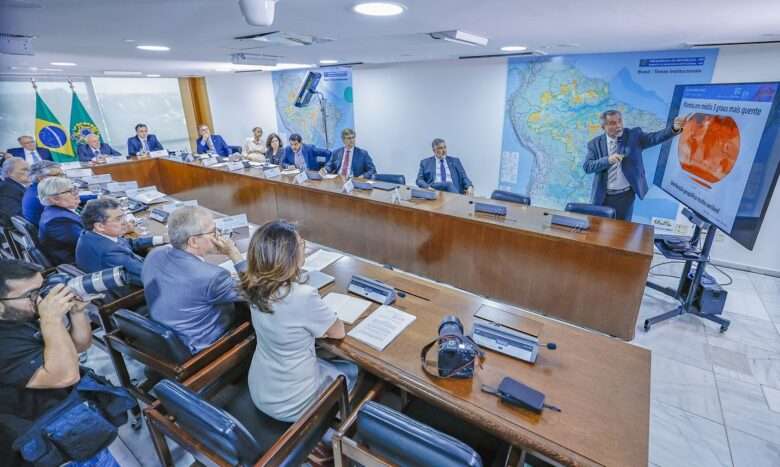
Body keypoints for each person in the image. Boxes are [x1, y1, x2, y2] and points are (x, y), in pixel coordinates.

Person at [241, 220, 357, 422]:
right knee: (353, 371)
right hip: (292, 403)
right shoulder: (302, 296)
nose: (306, 249)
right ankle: (326, 433)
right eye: (302, 245)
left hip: (262, 388)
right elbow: (338, 332)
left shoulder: (252, 283)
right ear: (288, 257)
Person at [0, 259, 92, 466]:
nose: (42, 299)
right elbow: (67, 375)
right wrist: (51, 320)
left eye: (42, 289)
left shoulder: (19, 314)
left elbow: (77, 347)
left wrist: (77, 313)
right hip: (45, 438)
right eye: (30, 295)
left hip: (68, 413)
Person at [142, 206, 245, 354]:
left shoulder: (155, 254)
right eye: (213, 231)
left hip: (162, 335)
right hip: (201, 346)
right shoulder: (212, 277)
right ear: (193, 242)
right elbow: (256, 291)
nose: (218, 236)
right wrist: (234, 253)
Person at [583, 110, 687, 221]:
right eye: (613, 123)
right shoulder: (594, 144)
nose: (618, 125)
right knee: (599, 229)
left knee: (622, 231)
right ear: (603, 127)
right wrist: (608, 160)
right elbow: (587, 167)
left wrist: (674, 129)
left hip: (625, 197)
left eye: (620, 121)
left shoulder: (634, 135)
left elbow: (655, 137)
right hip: (602, 196)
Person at [76, 197, 164, 288]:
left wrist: (162, 239)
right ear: (100, 226)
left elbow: (128, 244)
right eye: (118, 219)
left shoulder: (90, 234)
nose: (125, 222)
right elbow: (152, 277)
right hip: (133, 292)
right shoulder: (110, 253)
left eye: (123, 216)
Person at [37, 177, 83, 265]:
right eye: (70, 191)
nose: (76, 193)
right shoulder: (58, 221)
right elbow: (89, 244)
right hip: (78, 265)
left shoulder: (55, 212)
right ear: (55, 199)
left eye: (75, 189)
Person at [22, 161, 63, 227]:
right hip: (53, 231)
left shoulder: (34, 188)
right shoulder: (44, 196)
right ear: (41, 178)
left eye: (62, 175)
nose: (63, 178)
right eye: (57, 175)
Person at [0, 159, 30, 228]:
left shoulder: (12, 186)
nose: (29, 172)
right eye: (24, 169)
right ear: (9, 172)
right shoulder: (6, 188)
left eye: (29, 169)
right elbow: (17, 216)